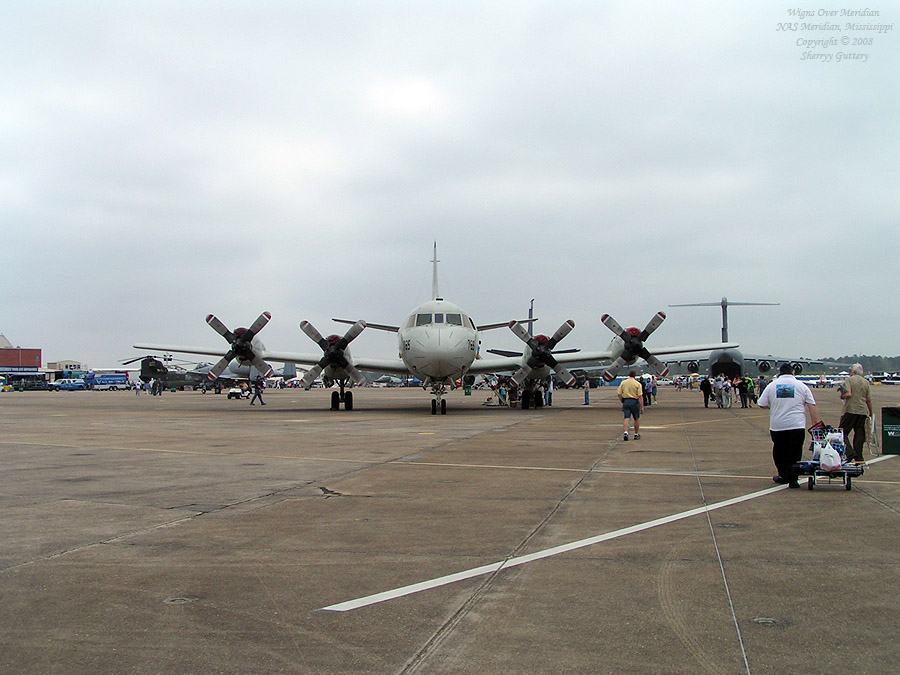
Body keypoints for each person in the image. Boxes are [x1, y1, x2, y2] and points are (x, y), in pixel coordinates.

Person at [758, 363, 820, 488]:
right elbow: (811, 405)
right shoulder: (801, 386)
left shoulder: (772, 386)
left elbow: (761, 403)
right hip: (796, 425)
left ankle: (782, 474)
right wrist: (816, 424)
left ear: (779, 373)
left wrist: (774, 406)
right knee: (795, 452)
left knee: (779, 451)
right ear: (793, 373)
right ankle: (793, 478)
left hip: (778, 426)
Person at [838, 363, 872, 464]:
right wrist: (870, 411)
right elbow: (868, 399)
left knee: (842, 433)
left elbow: (848, 394)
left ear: (854, 372)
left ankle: (850, 452)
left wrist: (842, 395)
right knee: (859, 434)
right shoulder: (866, 382)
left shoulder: (849, 380)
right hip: (862, 411)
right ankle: (859, 457)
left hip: (850, 410)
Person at [617, 370, 644, 441]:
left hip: (626, 401)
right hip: (634, 401)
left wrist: (622, 401)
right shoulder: (637, 384)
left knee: (626, 418)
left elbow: (619, 394)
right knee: (636, 418)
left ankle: (626, 432)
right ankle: (636, 434)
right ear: (635, 375)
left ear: (628, 375)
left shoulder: (623, 383)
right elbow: (640, 396)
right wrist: (642, 406)